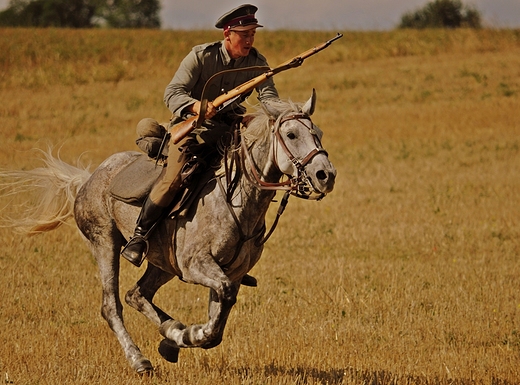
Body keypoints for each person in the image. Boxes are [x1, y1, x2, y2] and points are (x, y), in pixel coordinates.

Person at [121, 4, 280, 270]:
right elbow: (172, 92)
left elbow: (269, 98)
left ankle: (237, 255)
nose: (250, 39)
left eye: (253, 33)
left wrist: (269, 116)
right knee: (173, 179)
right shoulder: (201, 56)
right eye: (244, 34)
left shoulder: (257, 63)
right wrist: (197, 107)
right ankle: (139, 237)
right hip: (192, 130)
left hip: (230, 134)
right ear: (227, 34)